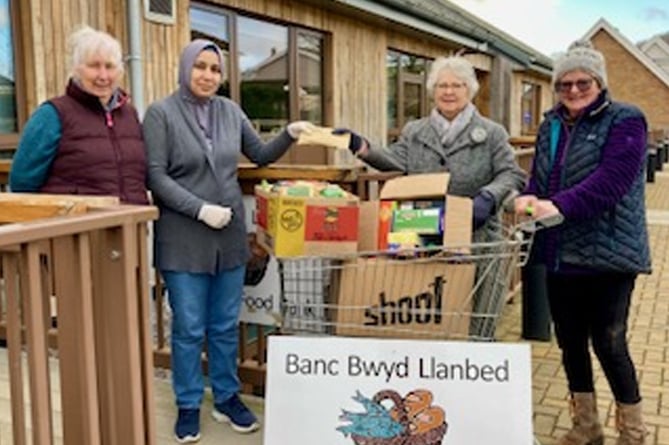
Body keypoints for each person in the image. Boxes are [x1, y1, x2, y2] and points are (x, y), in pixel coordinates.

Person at [142, 39, 314, 443]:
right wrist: (199, 208)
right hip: (184, 237)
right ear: (186, 68)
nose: (207, 75)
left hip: (230, 239)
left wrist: (289, 133)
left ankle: (226, 397)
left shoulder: (230, 111)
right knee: (187, 327)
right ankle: (187, 403)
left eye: (215, 69)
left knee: (222, 325)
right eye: (200, 67)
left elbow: (260, 154)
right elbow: (156, 176)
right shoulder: (160, 113)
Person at [514, 41, 650, 445]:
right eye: (564, 84)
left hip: (609, 253)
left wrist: (554, 205)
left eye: (582, 82)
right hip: (559, 250)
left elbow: (611, 183)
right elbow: (540, 178)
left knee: (609, 342)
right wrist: (527, 196)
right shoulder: (550, 125)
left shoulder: (627, 120)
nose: (573, 90)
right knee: (570, 341)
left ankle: (633, 431)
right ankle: (587, 426)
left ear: (599, 82)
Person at [336, 55, 526, 239]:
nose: (448, 92)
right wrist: (359, 144)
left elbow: (511, 174)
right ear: (433, 91)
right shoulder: (415, 131)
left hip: (477, 236)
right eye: (442, 85)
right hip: (423, 231)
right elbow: (395, 160)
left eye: (456, 85)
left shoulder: (493, 132)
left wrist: (489, 197)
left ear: (469, 90)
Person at [9, 25, 148, 205]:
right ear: (76, 69)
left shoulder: (129, 114)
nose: (103, 75)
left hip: (129, 227)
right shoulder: (52, 114)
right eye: (94, 66)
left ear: (120, 71)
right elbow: (22, 182)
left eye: (110, 66)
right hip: (76, 229)